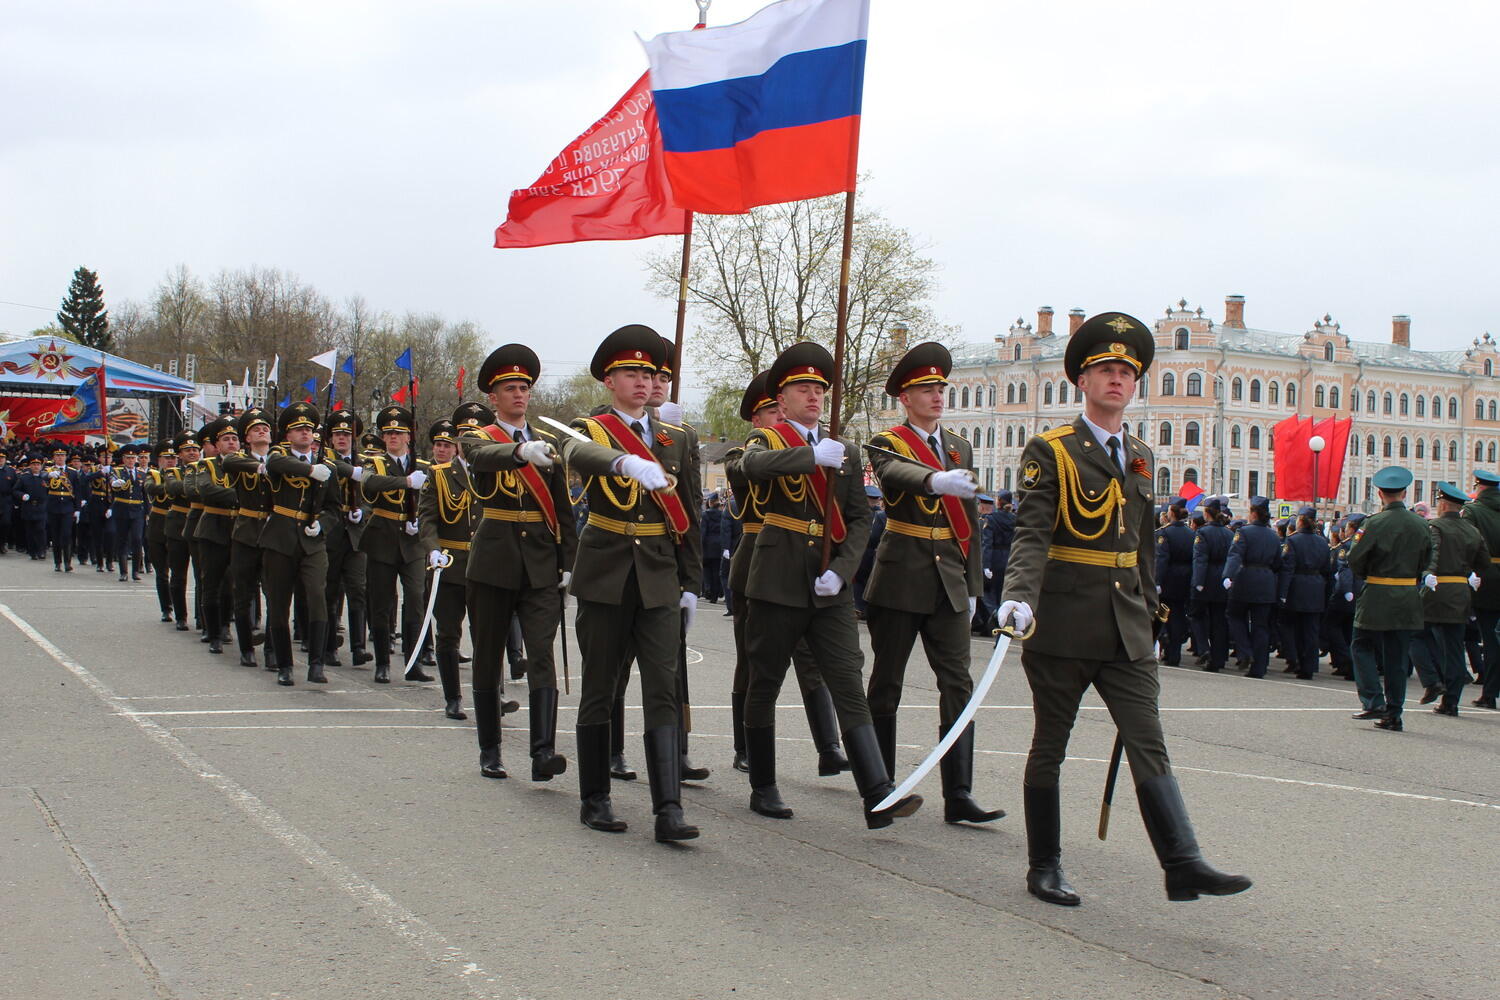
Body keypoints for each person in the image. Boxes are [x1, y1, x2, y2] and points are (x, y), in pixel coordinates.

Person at [996, 311, 1249, 906]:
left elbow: (1142, 545)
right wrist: (1018, 597)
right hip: (1061, 620)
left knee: (1148, 738)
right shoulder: (1051, 449)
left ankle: (1182, 861)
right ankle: (1044, 865)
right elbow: (1032, 533)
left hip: (1127, 627)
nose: (1117, 380)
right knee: (1050, 745)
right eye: (1106, 370)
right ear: (1081, 381)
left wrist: (1154, 615)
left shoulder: (1139, 455)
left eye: (1126, 372)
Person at [739, 341, 921, 829]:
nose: (815, 395)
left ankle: (877, 792)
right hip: (778, 578)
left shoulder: (846, 450)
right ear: (782, 399)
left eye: (820, 388)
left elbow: (860, 520)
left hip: (828, 585)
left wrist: (841, 570)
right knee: (766, 681)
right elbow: (749, 469)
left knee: (847, 682)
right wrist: (809, 457)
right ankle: (763, 784)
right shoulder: (769, 440)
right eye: (803, 388)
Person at [557, 325, 701, 842]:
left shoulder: (676, 438)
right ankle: (595, 797)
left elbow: (691, 513)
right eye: (631, 373)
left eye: (649, 373)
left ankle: (669, 808)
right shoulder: (589, 428)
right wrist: (623, 461)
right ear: (609, 380)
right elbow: (575, 453)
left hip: (660, 573)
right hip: (607, 571)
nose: (642, 382)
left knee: (663, 687)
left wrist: (691, 582)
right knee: (601, 685)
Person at [864, 342, 1002, 826]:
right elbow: (895, 474)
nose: (938, 395)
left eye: (941, 387)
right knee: (887, 683)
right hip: (902, 572)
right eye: (927, 388)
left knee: (958, 684)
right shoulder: (887, 441)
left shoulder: (959, 445)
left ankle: (959, 793)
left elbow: (970, 520)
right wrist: (934, 481)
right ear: (906, 396)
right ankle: (880, 788)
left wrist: (972, 582)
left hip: (949, 580)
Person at [460, 348, 579, 782]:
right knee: (488, 655)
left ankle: (543, 751)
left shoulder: (547, 443)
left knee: (542, 655)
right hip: (494, 560)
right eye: (510, 388)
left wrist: (569, 560)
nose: (519, 394)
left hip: (541, 563)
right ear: (493, 396)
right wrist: (519, 452)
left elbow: (563, 507)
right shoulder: (479, 436)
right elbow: (479, 458)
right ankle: (489, 748)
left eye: (524, 387)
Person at [723, 371, 848, 778]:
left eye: (781, 410)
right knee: (753, 660)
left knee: (811, 660)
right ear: (757, 421)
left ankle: (829, 746)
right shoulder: (745, 454)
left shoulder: (811, 446)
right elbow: (746, 471)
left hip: (805, 560)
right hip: (758, 563)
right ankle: (746, 746)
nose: (780, 416)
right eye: (771, 412)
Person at [1347, 465, 1432, 732]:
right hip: (1407, 594)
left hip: (1377, 594)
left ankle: (1373, 700)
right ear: (1404, 493)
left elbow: (1355, 559)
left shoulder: (1374, 523)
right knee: (1396, 657)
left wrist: (1369, 573)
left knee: (1361, 645)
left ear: (1380, 493)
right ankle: (1394, 713)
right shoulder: (1421, 524)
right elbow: (1427, 560)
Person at [260, 403, 340, 686]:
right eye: (299, 429)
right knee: (279, 601)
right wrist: (309, 471)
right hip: (281, 537)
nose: (305, 433)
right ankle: (284, 664)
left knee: (318, 597)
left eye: (309, 429)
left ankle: (316, 664)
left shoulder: (326, 466)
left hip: (312, 540)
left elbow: (334, 507)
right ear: (288, 434)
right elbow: (275, 464)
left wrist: (323, 524)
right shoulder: (278, 456)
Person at [358, 406, 432, 684]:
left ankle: (412, 662)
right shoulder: (374, 463)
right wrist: (404, 482)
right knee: (381, 601)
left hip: (413, 542)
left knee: (415, 599)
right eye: (388, 433)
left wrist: (421, 521)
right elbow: (370, 485)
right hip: (383, 538)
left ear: (408, 437)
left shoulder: (422, 466)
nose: (392, 437)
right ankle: (382, 663)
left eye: (398, 433)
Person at [417, 416, 481, 721]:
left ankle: (492, 694)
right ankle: (453, 697)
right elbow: (427, 519)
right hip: (450, 564)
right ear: (457, 443)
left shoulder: (493, 474)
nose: (470, 444)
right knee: (448, 634)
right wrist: (433, 550)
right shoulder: (439, 474)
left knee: (486, 635)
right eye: (465, 438)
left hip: (484, 567)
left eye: (476, 438)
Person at [1419, 482, 1489, 715]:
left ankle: (1432, 681)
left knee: (1416, 634)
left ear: (1443, 504)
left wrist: (1428, 572)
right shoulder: (1472, 530)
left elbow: (1434, 553)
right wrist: (1469, 574)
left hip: (1437, 590)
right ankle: (1451, 702)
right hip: (1461, 593)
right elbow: (1484, 563)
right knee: (1454, 648)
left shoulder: (1435, 526)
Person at [221, 410, 277, 669]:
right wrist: (261, 465)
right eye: (256, 429)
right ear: (247, 438)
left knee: (275, 594)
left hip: (274, 533)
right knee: (242, 593)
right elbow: (229, 464)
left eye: (265, 428)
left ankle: (273, 650)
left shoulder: (281, 459)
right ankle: (246, 648)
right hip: (246, 532)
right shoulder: (238, 460)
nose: (262, 432)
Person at [322, 411, 372, 668]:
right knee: (330, 591)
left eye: (347, 434)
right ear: (330, 438)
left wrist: (361, 511)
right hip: (331, 533)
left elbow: (371, 498)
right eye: (338, 434)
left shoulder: (364, 463)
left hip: (355, 535)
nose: (342, 438)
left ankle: (358, 647)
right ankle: (329, 646)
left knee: (358, 590)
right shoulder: (325, 461)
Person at [192, 419, 240, 656]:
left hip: (239, 528)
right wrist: (238, 495)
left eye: (234, 439)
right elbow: (206, 490)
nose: (231, 443)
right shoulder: (207, 465)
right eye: (225, 439)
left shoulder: (246, 465)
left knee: (231, 584)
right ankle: (212, 632)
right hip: (213, 528)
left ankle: (225, 626)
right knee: (211, 582)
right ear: (217, 445)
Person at [1223, 497, 1281, 678]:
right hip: (1266, 582)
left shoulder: (1244, 532)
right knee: (1261, 626)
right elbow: (1278, 562)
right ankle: (1259, 667)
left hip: (1245, 579)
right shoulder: (1273, 535)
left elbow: (1235, 556)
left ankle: (1245, 651)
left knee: (1234, 615)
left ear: (1254, 514)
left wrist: (1227, 575)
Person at [1277, 506, 1332, 679]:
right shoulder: (1323, 542)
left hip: (1297, 587)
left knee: (1295, 629)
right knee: (1311, 630)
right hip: (1316, 588)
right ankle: (1310, 665)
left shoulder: (1293, 541)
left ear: (1300, 520)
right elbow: (1327, 570)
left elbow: (1287, 568)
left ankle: (1299, 662)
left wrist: (1282, 593)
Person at [1464, 470, 1500, 709]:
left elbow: (1467, 544)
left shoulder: (1473, 511)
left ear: (1479, 487)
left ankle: (1489, 692)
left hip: (1485, 580)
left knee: (1489, 639)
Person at [1190, 498, 1233, 671]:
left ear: (1207, 514)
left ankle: (1204, 649)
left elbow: (1200, 559)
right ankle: (1218, 659)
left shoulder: (1203, 533)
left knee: (1196, 616)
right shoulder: (1230, 534)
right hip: (1222, 580)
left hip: (1206, 579)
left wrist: (1198, 582)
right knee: (1219, 621)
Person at [1153, 499, 1194, 665]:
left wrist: (1157, 581)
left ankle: (1166, 650)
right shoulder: (1192, 533)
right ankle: (1175, 653)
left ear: (1172, 513)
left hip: (1168, 580)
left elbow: (1162, 559)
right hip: (1185, 579)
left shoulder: (1165, 533)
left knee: (1163, 616)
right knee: (1178, 616)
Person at [110, 445, 149, 582]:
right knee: (122, 540)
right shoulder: (117, 472)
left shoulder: (142, 474)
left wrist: (148, 512)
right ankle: (124, 571)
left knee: (137, 539)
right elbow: (112, 483)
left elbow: (145, 495)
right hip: (122, 509)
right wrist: (115, 483)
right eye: (128, 458)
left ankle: (136, 571)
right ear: (123, 459)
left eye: (133, 458)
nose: (131, 460)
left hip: (137, 510)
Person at [44, 445, 81, 572]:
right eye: (57, 456)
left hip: (67, 507)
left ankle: (67, 562)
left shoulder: (73, 472)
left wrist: (77, 509)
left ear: (66, 457)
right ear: (54, 457)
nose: (60, 458)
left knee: (66, 535)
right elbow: (41, 481)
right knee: (55, 536)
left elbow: (77, 491)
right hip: (53, 506)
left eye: (62, 456)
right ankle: (57, 562)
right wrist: (48, 476)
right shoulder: (48, 471)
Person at [17, 454, 49, 559]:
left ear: (41, 466)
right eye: (34, 464)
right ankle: (32, 551)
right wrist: (22, 495)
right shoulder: (24, 477)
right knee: (30, 531)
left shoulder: (46, 477)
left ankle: (41, 550)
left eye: (38, 464)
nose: (36, 466)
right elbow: (15, 490)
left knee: (41, 529)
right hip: (29, 506)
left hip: (41, 507)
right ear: (30, 465)